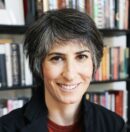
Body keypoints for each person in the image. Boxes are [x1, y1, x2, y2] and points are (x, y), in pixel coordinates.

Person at [0, 8, 126, 132]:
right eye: (57, 58)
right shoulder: (6, 127)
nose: (69, 74)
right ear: (39, 65)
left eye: (81, 57)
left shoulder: (114, 125)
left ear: (94, 62)